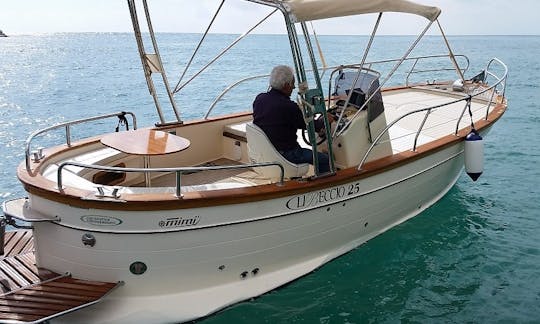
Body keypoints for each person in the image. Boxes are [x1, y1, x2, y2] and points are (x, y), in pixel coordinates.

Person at [253, 65, 331, 174]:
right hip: (287, 153)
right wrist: (326, 119)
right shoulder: (289, 107)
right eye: (292, 84)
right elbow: (312, 126)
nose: (294, 87)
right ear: (286, 85)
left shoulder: (259, 99)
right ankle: (323, 185)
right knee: (325, 160)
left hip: (266, 150)